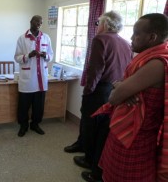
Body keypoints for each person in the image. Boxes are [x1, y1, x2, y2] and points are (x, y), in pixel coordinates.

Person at [93, 13, 168, 182]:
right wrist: (121, 86)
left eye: (136, 34)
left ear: (152, 37)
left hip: (136, 138)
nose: (131, 38)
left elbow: (113, 98)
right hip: (127, 131)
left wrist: (120, 88)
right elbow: (119, 84)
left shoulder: (156, 64)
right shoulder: (147, 58)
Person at [70, 11, 133, 182]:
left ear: (105, 24)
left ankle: (89, 161)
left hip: (99, 89)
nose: (97, 27)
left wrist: (88, 91)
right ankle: (95, 160)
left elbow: (95, 69)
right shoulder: (126, 42)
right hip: (115, 89)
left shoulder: (100, 40)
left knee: (91, 126)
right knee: (103, 128)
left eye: (98, 23)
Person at [14, 15, 54, 137]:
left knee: (39, 106)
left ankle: (35, 124)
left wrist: (45, 55)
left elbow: (51, 55)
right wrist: (28, 55)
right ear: (31, 21)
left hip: (41, 77)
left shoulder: (46, 38)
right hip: (28, 78)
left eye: (41, 22)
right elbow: (17, 57)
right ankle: (23, 125)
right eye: (37, 21)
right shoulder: (22, 38)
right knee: (24, 105)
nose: (39, 24)